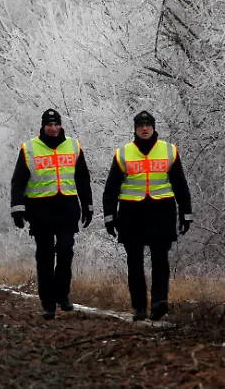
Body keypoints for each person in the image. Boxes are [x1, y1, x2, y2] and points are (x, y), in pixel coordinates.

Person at [102, 111, 192, 322]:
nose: (144, 129)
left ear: (153, 127)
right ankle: (139, 306)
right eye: (140, 126)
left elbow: (180, 185)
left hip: (162, 212)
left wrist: (186, 213)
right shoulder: (123, 153)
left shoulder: (169, 151)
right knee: (134, 262)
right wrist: (109, 216)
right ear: (135, 129)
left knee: (160, 259)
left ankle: (159, 302)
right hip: (131, 214)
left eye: (148, 125)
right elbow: (111, 188)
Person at [10, 109, 93, 320]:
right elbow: (18, 180)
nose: (53, 128)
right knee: (45, 255)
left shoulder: (74, 146)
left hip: (67, 206)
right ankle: (47, 302)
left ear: (61, 125)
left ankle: (62, 294)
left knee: (66, 250)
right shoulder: (29, 148)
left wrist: (88, 205)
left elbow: (82, 178)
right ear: (43, 126)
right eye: (49, 125)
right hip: (40, 209)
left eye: (56, 124)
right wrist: (17, 208)